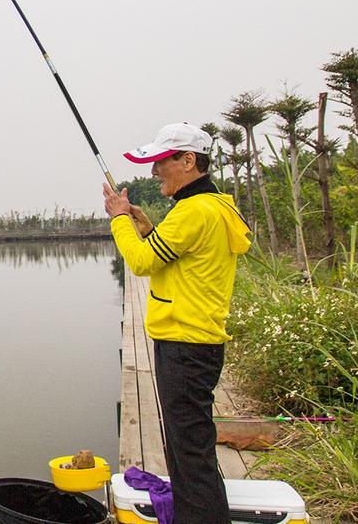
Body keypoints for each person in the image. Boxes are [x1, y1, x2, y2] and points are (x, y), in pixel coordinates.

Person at [103, 122, 251, 524]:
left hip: (185, 346)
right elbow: (175, 256)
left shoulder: (193, 211)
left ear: (188, 161)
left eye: (160, 162)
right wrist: (146, 227)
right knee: (189, 452)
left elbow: (141, 262)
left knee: (189, 455)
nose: (153, 171)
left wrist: (118, 219)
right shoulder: (215, 205)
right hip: (195, 342)